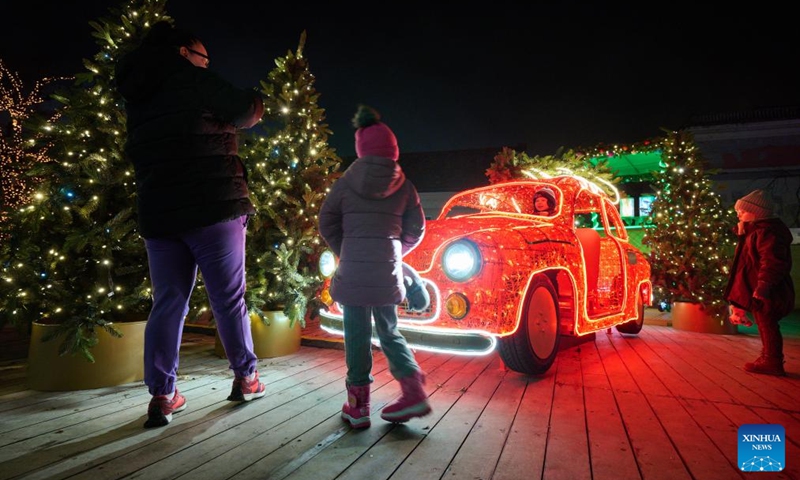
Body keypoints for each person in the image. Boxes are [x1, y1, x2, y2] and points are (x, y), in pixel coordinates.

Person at [115, 21, 267, 428]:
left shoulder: (138, 95)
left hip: (160, 213)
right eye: (203, 56)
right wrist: (257, 101)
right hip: (213, 206)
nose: (206, 63)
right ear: (183, 52)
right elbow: (246, 109)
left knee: (168, 303)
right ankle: (246, 377)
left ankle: (163, 396)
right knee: (228, 299)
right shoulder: (192, 80)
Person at [318, 105, 432, 428]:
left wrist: (347, 250)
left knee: (356, 334)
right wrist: (395, 250)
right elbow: (417, 229)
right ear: (393, 150)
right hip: (386, 273)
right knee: (389, 330)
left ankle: (358, 407)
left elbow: (325, 221)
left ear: (361, 149)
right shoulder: (406, 187)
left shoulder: (344, 183)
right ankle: (413, 391)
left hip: (353, 273)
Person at [724, 189, 795, 376]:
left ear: (758, 214)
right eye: (737, 211)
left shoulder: (767, 233)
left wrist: (764, 285)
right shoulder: (755, 231)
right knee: (765, 323)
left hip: (768, 288)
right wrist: (742, 232)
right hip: (761, 286)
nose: (738, 214)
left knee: (767, 323)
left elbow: (772, 262)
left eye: (743, 211)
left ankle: (772, 361)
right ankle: (768, 357)